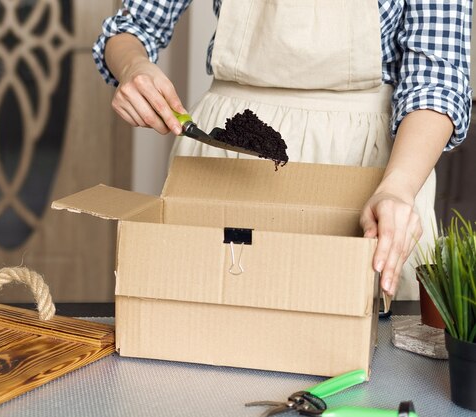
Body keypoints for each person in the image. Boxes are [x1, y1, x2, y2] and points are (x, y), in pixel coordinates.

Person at [92, 0, 473, 300]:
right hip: (228, 157)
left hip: (370, 170)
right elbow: (130, 28)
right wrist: (134, 66)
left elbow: (437, 80)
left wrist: (398, 188)